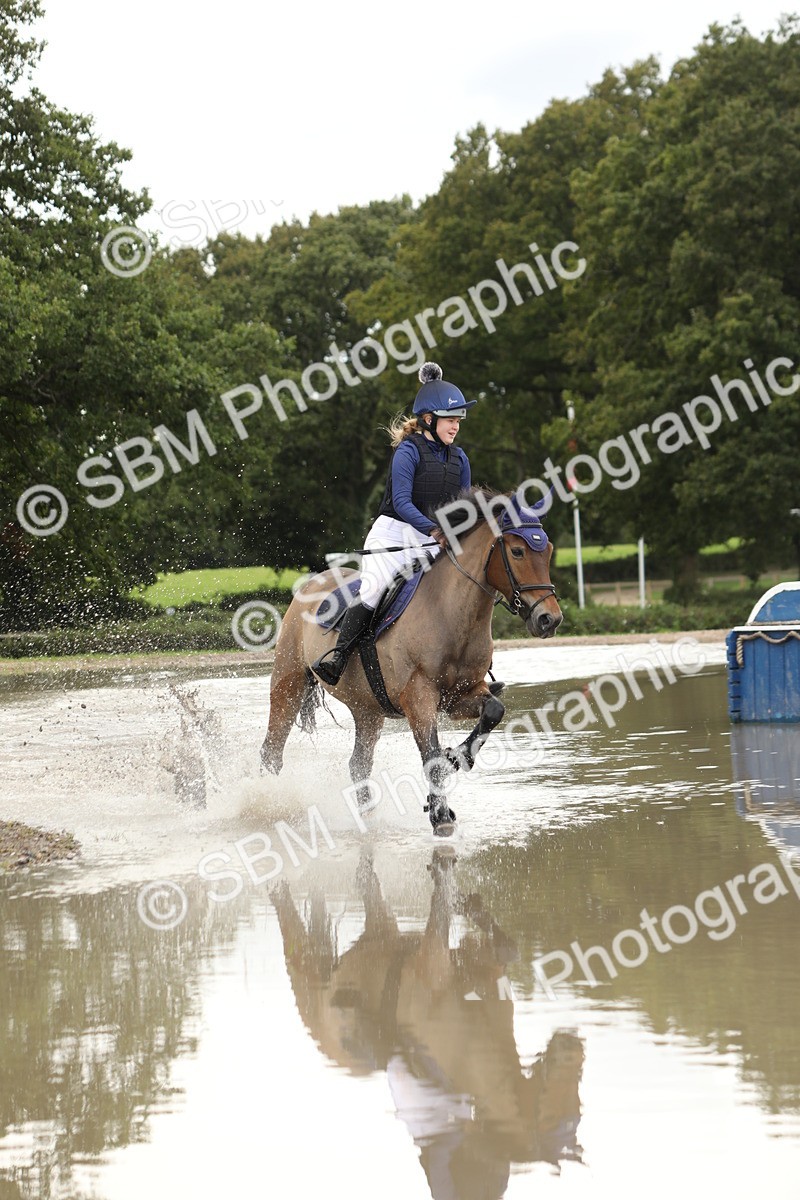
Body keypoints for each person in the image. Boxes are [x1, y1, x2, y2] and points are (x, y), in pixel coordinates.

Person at [311, 361, 474, 687]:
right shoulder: (408, 452)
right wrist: (434, 529)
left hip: (433, 541)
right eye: (451, 420)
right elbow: (402, 502)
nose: (456, 427)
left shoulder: (461, 459)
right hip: (394, 533)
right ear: (429, 419)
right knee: (373, 590)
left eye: (458, 421)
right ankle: (339, 657)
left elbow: (464, 508)